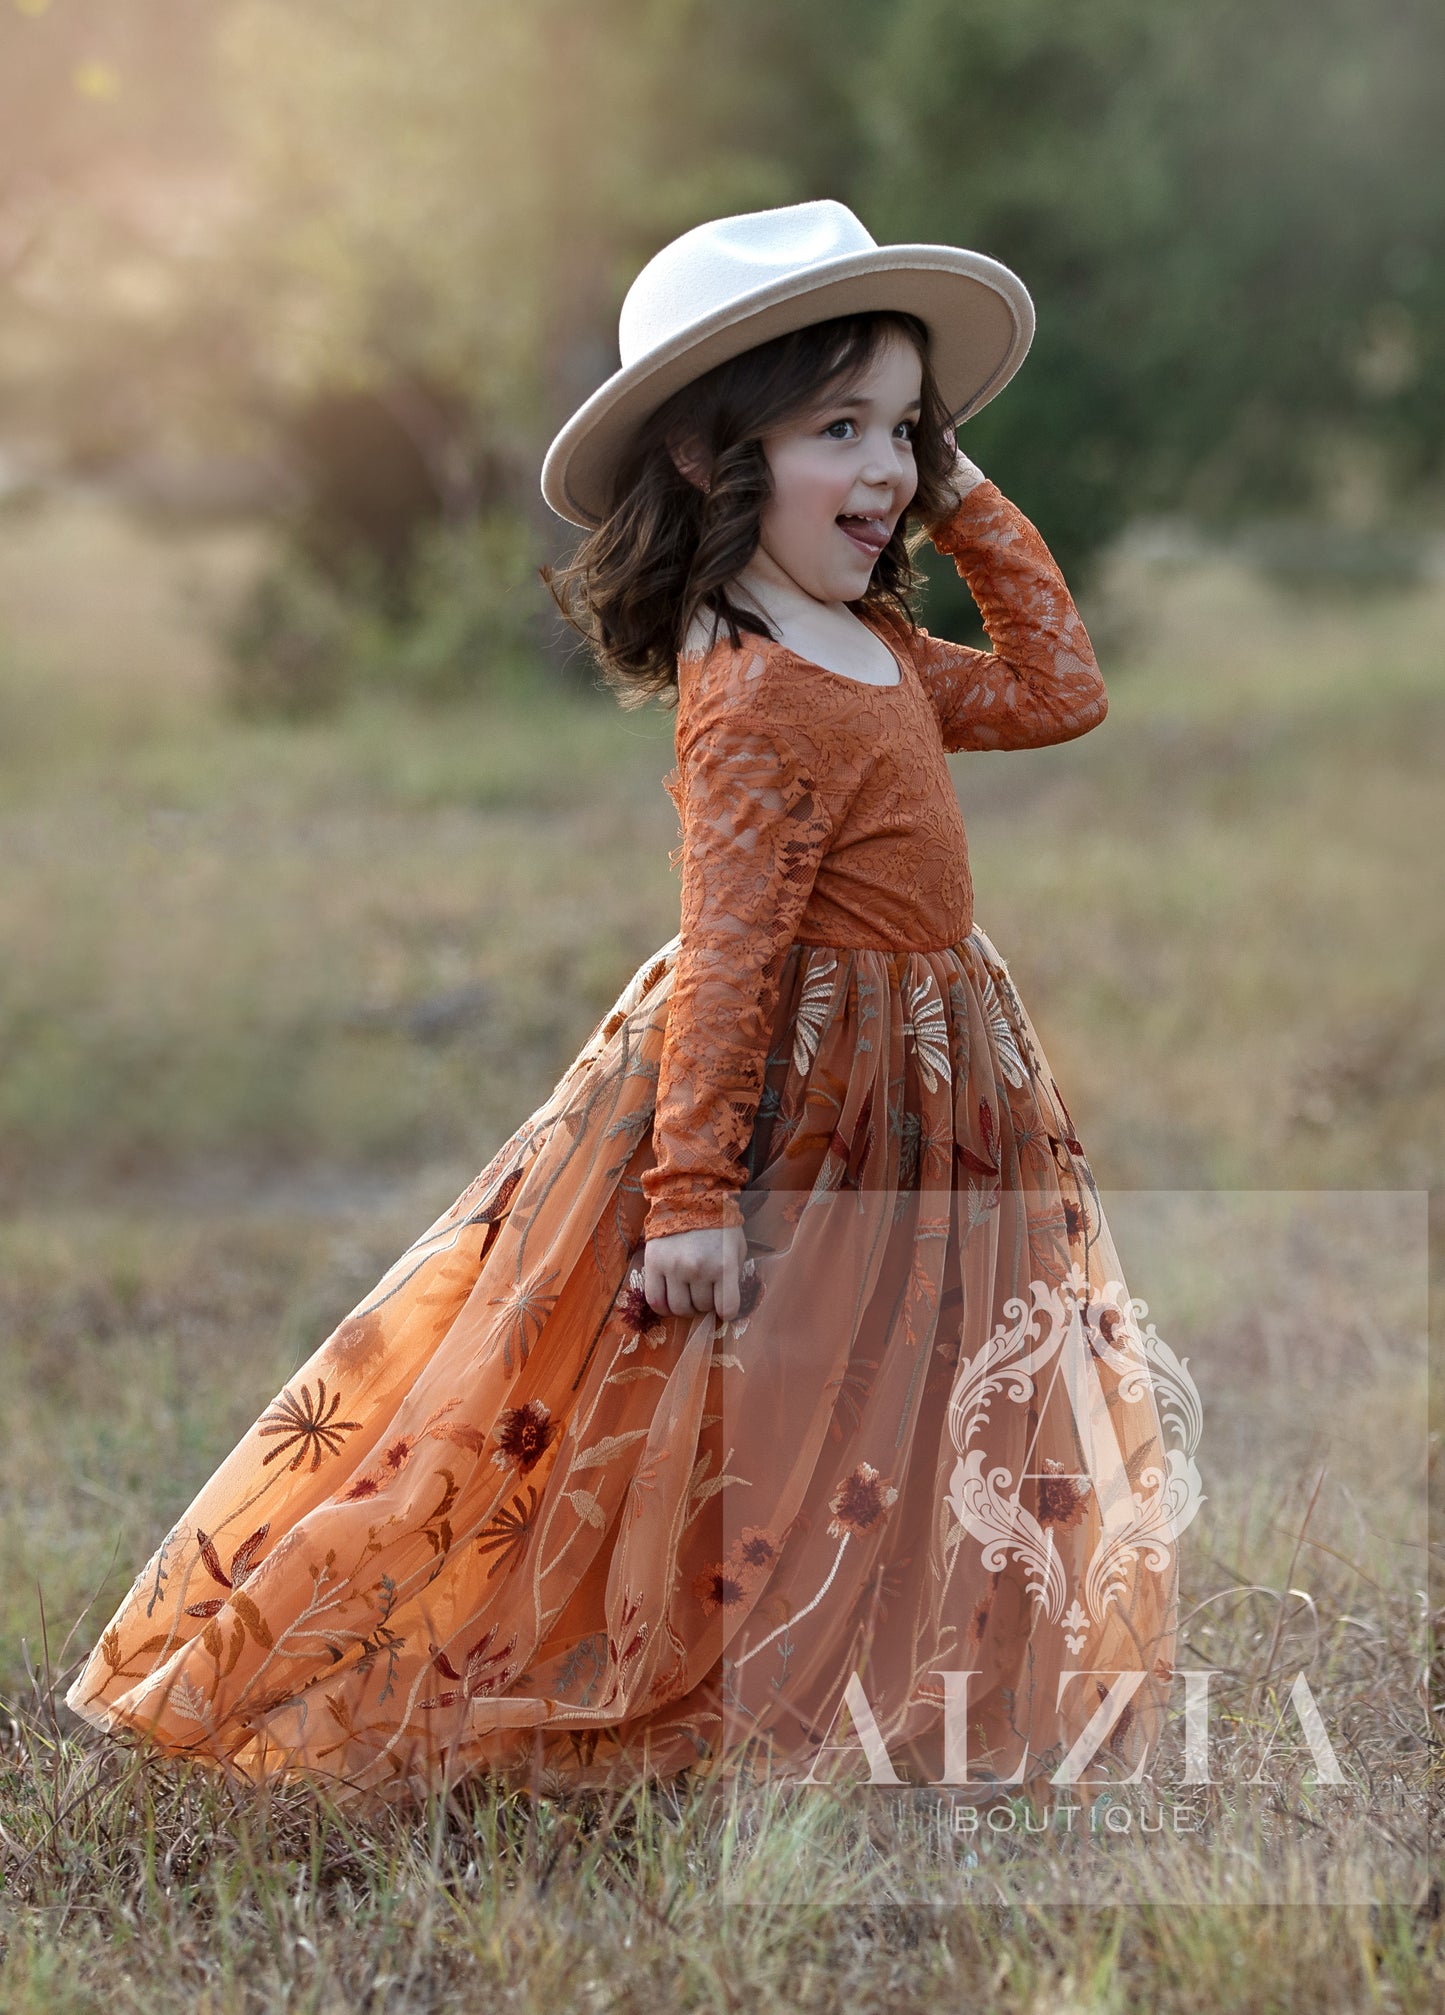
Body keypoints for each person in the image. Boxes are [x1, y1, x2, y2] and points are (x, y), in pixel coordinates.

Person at [67, 200, 1180, 1811]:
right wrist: (687, 1199)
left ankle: (879, 1700)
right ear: (704, 455)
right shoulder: (753, 681)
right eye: (835, 432)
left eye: (903, 432)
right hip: (791, 1111)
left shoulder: (868, 639)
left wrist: (964, 497)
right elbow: (728, 952)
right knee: (707, 1418)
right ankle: (603, 1704)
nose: (881, 474)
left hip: (922, 1102)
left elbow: (1058, 690)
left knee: (904, 1397)